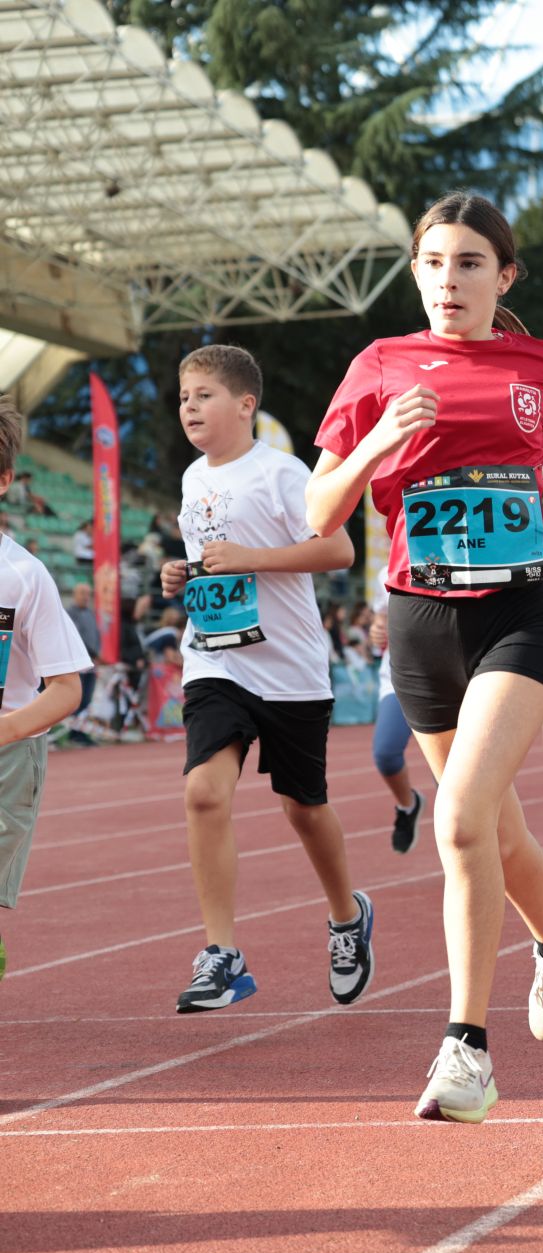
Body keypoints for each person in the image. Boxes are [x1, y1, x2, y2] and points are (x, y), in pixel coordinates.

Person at [307, 191, 543, 1124]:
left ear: (503, 276)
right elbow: (321, 514)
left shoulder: (541, 364)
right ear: (417, 272)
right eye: (434, 262)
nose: (450, 279)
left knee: (460, 822)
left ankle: (466, 1049)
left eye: (470, 263)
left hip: (518, 620)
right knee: (495, 831)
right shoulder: (378, 367)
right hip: (418, 624)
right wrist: (380, 445)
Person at [158, 345, 369, 1014]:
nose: (189, 406)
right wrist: (183, 575)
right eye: (184, 396)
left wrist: (254, 558)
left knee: (303, 808)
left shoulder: (282, 473)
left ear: (245, 404)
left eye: (203, 395)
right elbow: (215, 564)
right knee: (202, 793)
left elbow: (338, 550)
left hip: (290, 670)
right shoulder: (193, 481)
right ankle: (221, 953)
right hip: (216, 660)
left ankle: (346, 917)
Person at [0, 397, 94, 981]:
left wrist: (6, 730)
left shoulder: (22, 574)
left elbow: (65, 689)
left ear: (4, 481)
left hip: (8, 752)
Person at [366, 590, 426, 853]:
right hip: (400, 678)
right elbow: (380, 619)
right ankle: (407, 804)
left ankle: (468, 857)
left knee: (450, 776)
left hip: (453, 679)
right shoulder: (387, 570)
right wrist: (378, 630)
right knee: (385, 753)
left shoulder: (459, 555)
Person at [65, 581, 100, 733]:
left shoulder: (91, 614)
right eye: (82, 593)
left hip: (91, 664)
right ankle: (73, 733)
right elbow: (75, 638)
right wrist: (92, 653)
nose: (86, 597)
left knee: (87, 700)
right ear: (74, 595)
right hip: (78, 663)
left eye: (88, 594)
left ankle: (81, 731)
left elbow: (96, 635)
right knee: (76, 699)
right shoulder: (69, 613)